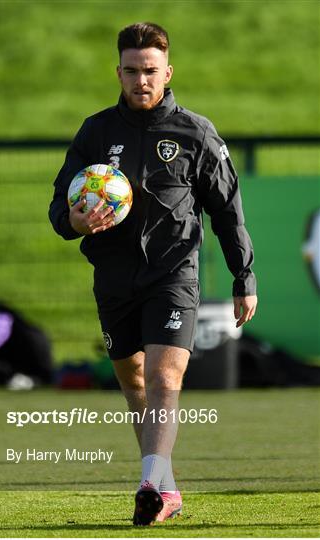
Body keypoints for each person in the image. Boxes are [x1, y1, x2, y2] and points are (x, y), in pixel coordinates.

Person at [49, 22, 257, 526]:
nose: (141, 80)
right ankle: (166, 489)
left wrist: (242, 275)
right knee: (134, 382)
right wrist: (74, 220)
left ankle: (147, 482)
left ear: (167, 72)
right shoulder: (95, 132)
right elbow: (60, 206)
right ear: (117, 72)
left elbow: (227, 210)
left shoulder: (195, 132)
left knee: (165, 376)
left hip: (173, 275)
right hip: (115, 278)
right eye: (131, 71)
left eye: (150, 71)